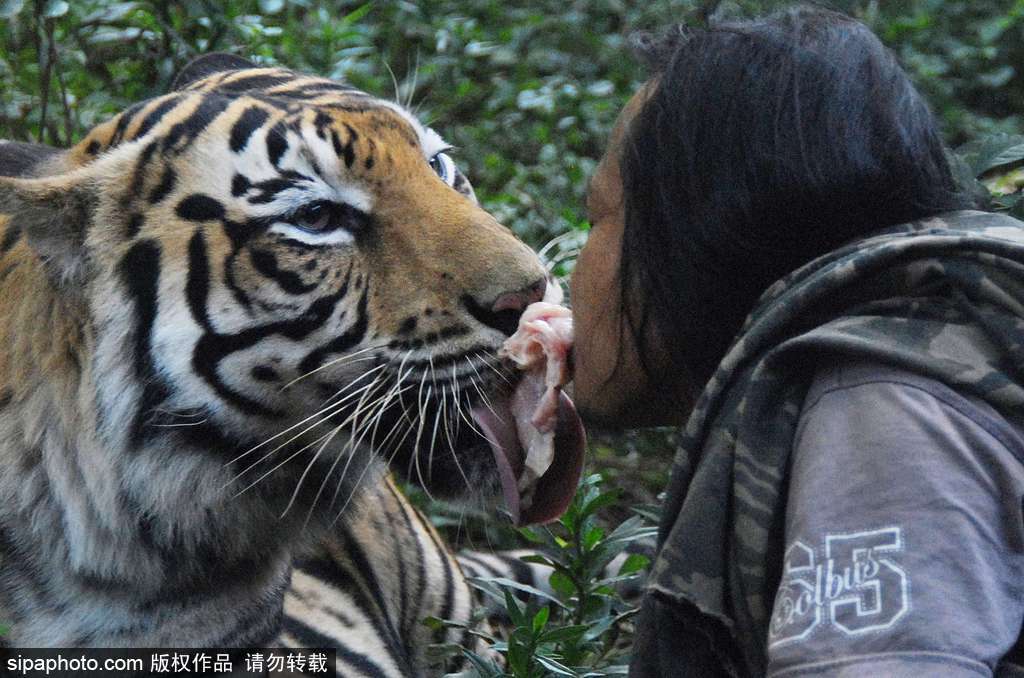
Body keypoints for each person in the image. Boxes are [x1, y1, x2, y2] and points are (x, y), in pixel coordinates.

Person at [569, 6, 1024, 677]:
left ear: (692, 239)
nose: (567, 272)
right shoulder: (924, 359)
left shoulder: (876, 405)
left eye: (598, 218)